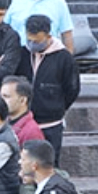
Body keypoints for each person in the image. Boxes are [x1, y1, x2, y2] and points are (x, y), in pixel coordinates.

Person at [22, 14, 79, 165]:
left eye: (38, 41)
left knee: (49, 164)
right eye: (30, 40)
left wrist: (56, 106)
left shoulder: (64, 58)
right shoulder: (23, 53)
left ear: (48, 36)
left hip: (51, 123)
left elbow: (72, 89)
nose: (33, 44)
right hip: (24, 121)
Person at [1, 76, 45, 144]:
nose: (1, 100)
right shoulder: (2, 123)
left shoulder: (32, 132)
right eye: (0, 96)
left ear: (22, 100)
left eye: (6, 96)